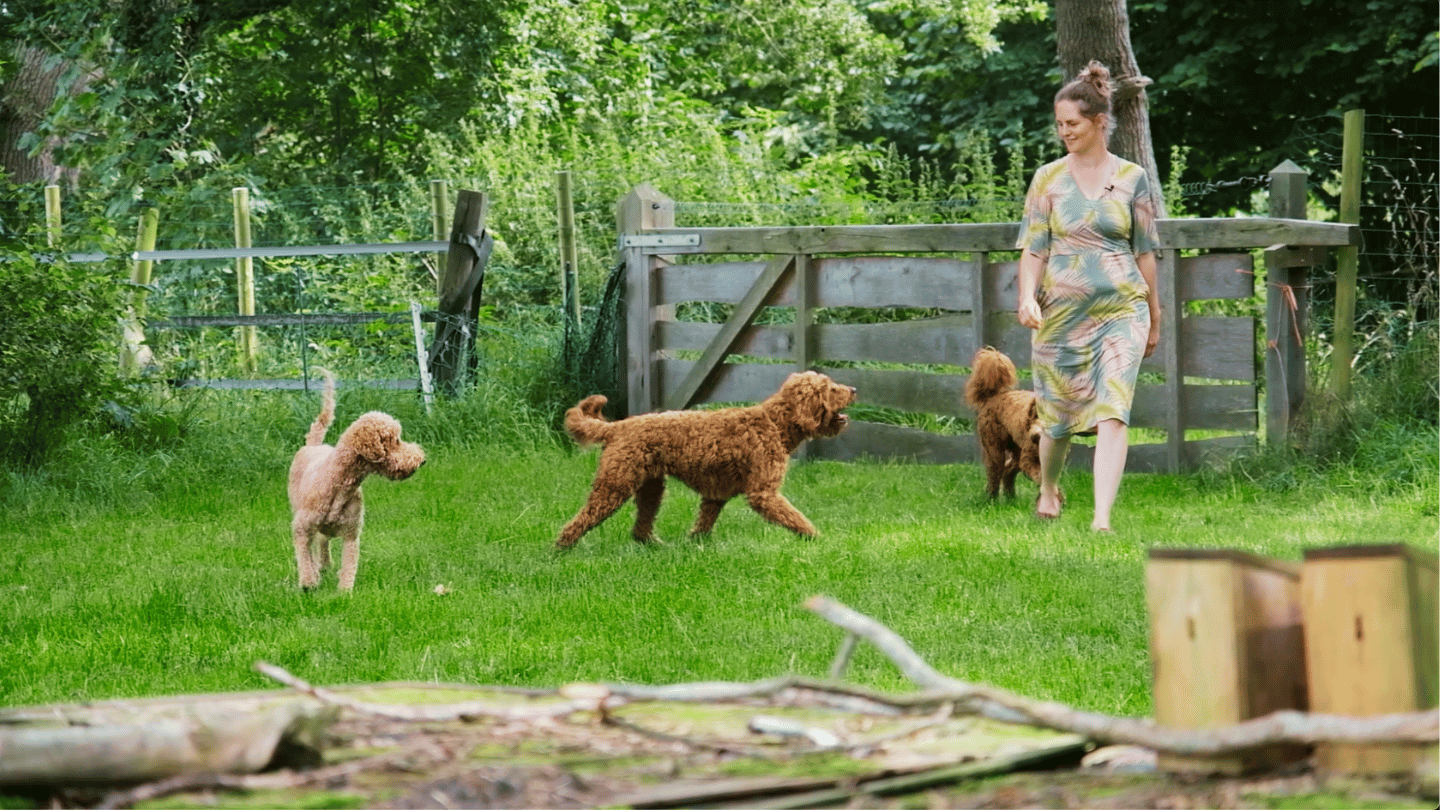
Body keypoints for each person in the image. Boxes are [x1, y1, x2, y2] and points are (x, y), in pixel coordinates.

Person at [1015, 60, 1161, 532]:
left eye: (1072, 124)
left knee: (1113, 410)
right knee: (1057, 419)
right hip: (1061, 314)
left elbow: (1146, 252)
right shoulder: (1047, 179)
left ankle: (1101, 518)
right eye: (1059, 125)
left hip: (1122, 310)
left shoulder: (1133, 177)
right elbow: (1034, 249)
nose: (1064, 132)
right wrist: (1026, 297)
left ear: (1099, 122)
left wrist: (1154, 317)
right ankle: (1048, 487)